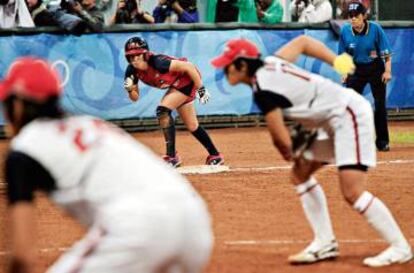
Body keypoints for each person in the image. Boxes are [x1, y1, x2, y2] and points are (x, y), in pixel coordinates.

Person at [210, 37, 413, 267]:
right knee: (299, 174)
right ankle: (325, 243)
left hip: (349, 115)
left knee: (352, 191)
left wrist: (291, 151)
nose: (224, 70)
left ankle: (400, 247)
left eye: (228, 65)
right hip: (332, 121)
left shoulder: (262, 88)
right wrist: (336, 61)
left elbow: (280, 139)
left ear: (242, 65)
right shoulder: (272, 62)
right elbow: (304, 42)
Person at [1, 57, 213, 273]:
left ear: (17, 105)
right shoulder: (90, 124)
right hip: (195, 221)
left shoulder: (24, 147)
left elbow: (22, 256)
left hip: (139, 228)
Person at [123, 37, 224, 167]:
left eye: (138, 55)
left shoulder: (158, 62)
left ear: (145, 54)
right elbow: (135, 98)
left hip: (187, 79)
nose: (135, 59)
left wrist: (201, 89)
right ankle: (215, 155)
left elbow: (189, 67)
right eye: (131, 56)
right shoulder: (131, 71)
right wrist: (130, 90)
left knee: (163, 111)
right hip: (177, 85)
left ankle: (172, 156)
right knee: (192, 126)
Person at [339, 1, 392, 151]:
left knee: (380, 104)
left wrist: (387, 71)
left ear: (364, 16)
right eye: (350, 16)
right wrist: (344, 72)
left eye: (356, 15)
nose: (353, 19)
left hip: (375, 67)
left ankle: (382, 142)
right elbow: (343, 55)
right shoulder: (345, 31)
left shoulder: (375, 29)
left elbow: (386, 54)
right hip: (355, 68)